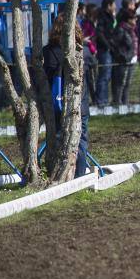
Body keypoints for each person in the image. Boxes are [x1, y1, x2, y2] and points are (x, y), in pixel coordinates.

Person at [42, 14, 91, 178]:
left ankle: (59, 175)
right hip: (79, 103)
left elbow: (47, 76)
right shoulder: (81, 50)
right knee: (81, 140)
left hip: (57, 103)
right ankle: (80, 176)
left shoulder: (48, 51)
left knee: (58, 138)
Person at [111, 9, 138, 106]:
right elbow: (115, 44)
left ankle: (125, 103)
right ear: (128, 19)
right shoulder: (121, 29)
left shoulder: (131, 29)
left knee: (127, 83)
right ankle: (118, 103)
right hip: (124, 60)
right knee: (120, 83)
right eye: (134, 18)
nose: (136, 20)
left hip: (131, 60)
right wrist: (123, 56)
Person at [95, 0, 117, 107]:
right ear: (109, 5)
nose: (115, 7)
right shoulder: (102, 17)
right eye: (114, 4)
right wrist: (108, 45)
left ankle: (104, 99)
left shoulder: (109, 16)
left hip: (109, 49)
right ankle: (101, 101)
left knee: (107, 76)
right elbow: (100, 33)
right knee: (104, 75)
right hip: (104, 50)